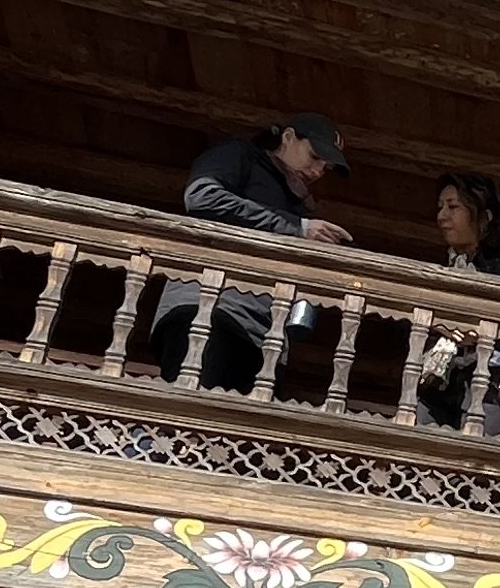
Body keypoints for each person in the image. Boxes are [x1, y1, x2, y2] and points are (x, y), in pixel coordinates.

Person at [149, 115, 355, 390]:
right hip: (210, 309)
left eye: (325, 167)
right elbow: (202, 196)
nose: (318, 170)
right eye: (315, 156)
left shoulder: (296, 202)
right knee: (193, 414)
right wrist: (297, 227)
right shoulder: (241, 154)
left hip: (263, 334)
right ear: (289, 137)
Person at [412, 170, 500, 439]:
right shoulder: (440, 269)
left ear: (484, 216)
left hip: (490, 382)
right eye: (440, 207)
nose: (442, 216)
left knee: (472, 452)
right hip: (437, 379)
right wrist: (440, 325)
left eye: (453, 207)